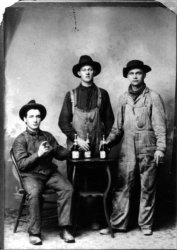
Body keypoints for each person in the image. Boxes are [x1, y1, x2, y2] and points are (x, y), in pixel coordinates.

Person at [100, 60, 166, 236]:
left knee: (148, 187)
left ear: (144, 75)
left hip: (148, 147)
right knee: (122, 185)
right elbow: (117, 128)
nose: (135, 76)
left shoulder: (153, 97)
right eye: (131, 73)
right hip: (127, 149)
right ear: (127, 76)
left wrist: (160, 148)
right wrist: (108, 142)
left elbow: (160, 126)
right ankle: (117, 224)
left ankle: (146, 224)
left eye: (138, 73)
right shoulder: (123, 98)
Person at [59, 55, 114, 228]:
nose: (87, 72)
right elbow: (63, 122)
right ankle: (75, 221)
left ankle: (97, 220)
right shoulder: (71, 95)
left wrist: (105, 142)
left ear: (94, 72)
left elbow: (110, 122)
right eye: (84, 69)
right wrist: (77, 139)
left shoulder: (102, 94)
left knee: (99, 183)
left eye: (90, 69)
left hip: (97, 149)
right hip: (77, 148)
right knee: (75, 184)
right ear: (79, 73)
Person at [12, 100, 75, 245]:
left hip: (49, 174)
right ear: (25, 119)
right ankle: (34, 233)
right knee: (34, 194)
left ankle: (65, 229)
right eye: (31, 116)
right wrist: (38, 154)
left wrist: (72, 150)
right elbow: (21, 165)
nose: (35, 120)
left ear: (41, 118)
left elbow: (59, 153)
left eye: (38, 116)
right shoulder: (20, 140)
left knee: (68, 189)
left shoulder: (47, 136)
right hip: (30, 175)